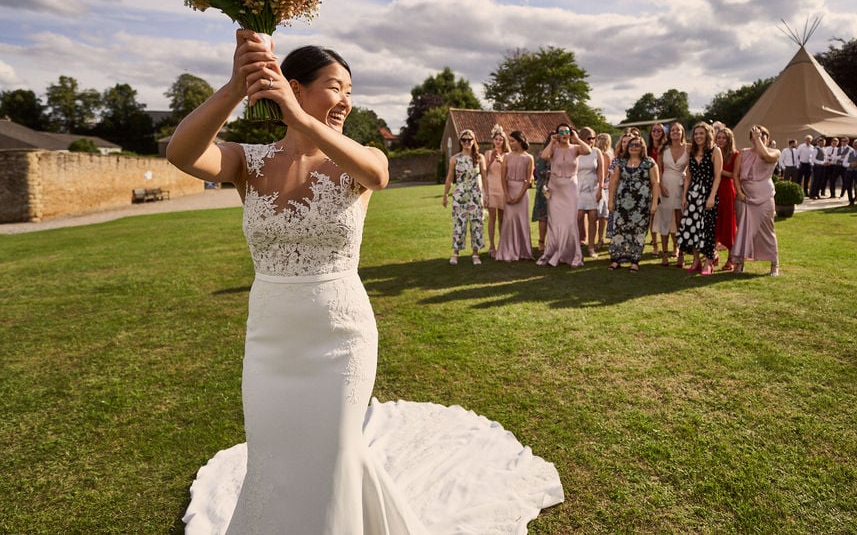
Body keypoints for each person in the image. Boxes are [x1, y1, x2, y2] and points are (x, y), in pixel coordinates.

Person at [169, 32, 563, 533]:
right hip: (269, 338)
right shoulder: (248, 161)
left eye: (349, 90)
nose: (346, 102)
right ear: (294, 86)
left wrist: (302, 118)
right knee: (272, 452)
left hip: (339, 337)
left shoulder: (360, 157)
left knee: (334, 451)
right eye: (335, 86)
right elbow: (182, 154)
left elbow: (379, 177)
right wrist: (235, 85)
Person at [537, 123, 591, 267]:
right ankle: (553, 252)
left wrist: (577, 138)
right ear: (557, 134)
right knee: (555, 223)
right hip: (555, 189)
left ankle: (570, 253)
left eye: (566, 131)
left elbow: (588, 150)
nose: (564, 134)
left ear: (570, 133)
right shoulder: (553, 148)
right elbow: (543, 156)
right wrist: (552, 141)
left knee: (570, 222)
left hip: (570, 189)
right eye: (560, 132)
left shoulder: (576, 149)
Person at [732, 124, 781, 276]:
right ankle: (739, 263)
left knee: (767, 230)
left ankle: (774, 264)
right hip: (744, 197)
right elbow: (736, 175)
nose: (757, 139)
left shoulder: (774, 152)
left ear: (767, 138)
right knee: (743, 230)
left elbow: (765, 157)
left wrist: (758, 138)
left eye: (762, 136)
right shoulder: (743, 153)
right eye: (753, 137)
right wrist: (739, 193)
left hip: (764, 195)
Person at [607, 135, 660, 272]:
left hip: (641, 205)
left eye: (637, 145)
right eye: (631, 145)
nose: (634, 147)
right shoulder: (621, 162)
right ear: (627, 147)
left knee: (639, 232)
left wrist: (654, 203)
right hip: (621, 204)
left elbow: (655, 184)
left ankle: (635, 261)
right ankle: (616, 259)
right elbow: (613, 182)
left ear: (642, 147)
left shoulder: (649, 162)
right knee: (619, 230)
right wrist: (610, 201)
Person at [677, 121, 723, 276]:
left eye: (701, 133)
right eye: (696, 134)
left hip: (708, 194)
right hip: (693, 195)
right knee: (691, 228)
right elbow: (688, 177)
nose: (698, 136)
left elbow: (717, 177)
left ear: (708, 134)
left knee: (707, 229)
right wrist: (685, 196)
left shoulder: (715, 151)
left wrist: (711, 197)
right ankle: (696, 260)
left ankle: (709, 261)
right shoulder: (691, 152)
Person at [443, 129, 487, 265]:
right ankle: (455, 253)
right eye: (464, 140)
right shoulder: (454, 159)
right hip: (459, 195)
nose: (467, 142)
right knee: (459, 225)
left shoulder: (480, 158)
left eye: (469, 139)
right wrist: (445, 195)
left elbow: (485, 178)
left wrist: (487, 195)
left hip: (475, 195)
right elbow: (450, 178)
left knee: (476, 224)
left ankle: (475, 254)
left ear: (474, 141)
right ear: (460, 142)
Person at [495, 130, 535, 261]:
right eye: (510, 141)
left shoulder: (529, 158)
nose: (510, 143)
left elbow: (529, 180)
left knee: (522, 221)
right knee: (508, 221)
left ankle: (523, 251)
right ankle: (508, 251)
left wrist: (519, 196)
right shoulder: (507, 156)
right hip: (509, 190)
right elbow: (503, 177)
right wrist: (506, 194)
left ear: (520, 141)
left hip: (522, 192)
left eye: (512, 141)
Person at [652, 122, 687, 266]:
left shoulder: (688, 148)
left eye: (678, 130)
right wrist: (660, 186)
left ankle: (681, 253)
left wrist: (685, 182)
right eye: (672, 130)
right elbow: (658, 169)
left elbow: (690, 169)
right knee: (665, 220)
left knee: (680, 222)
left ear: (682, 132)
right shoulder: (663, 148)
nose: (675, 132)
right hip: (665, 185)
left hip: (681, 186)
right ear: (669, 133)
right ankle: (665, 253)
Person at [575, 126, 606, 258]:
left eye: (594, 138)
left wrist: (600, 188)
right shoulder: (576, 150)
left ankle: (591, 247)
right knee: (579, 216)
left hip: (593, 185)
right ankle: (575, 244)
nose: (591, 141)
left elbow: (601, 171)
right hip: (578, 186)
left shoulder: (596, 152)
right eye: (589, 138)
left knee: (593, 217)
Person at [715, 127, 738, 271]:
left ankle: (731, 258)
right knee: (714, 224)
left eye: (723, 138)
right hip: (714, 190)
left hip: (727, 191)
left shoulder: (735, 154)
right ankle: (713, 254)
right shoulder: (713, 152)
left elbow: (735, 175)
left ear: (729, 139)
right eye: (719, 138)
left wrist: (719, 170)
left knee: (729, 225)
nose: (721, 140)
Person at [483, 126, 509, 254]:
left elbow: (509, 173)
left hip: (503, 189)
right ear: (493, 140)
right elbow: (484, 172)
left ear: (504, 141)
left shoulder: (507, 155)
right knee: (492, 217)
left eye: (501, 139)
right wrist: (491, 160)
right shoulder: (488, 154)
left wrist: (502, 162)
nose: (498, 141)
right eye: (496, 139)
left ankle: (501, 245)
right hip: (491, 188)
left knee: (502, 218)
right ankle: (492, 246)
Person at [646, 123, 668, 252]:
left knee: (666, 216)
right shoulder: (647, 149)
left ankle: (671, 246)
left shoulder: (667, 148)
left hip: (665, 183)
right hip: (650, 185)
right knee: (652, 216)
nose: (656, 132)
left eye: (659, 130)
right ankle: (655, 244)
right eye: (654, 130)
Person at [531, 132, 552, 253]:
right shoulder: (542, 155)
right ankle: (541, 241)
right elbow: (539, 172)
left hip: (558, 189)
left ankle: (552, 241)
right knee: (543, 217)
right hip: (544, 189)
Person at [594, 132, 614, 251]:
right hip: (603, 186)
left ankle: (600, 238)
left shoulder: (605, 155)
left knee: (601, 215)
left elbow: (605, 173)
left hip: (603, 187)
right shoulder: (607, 153)